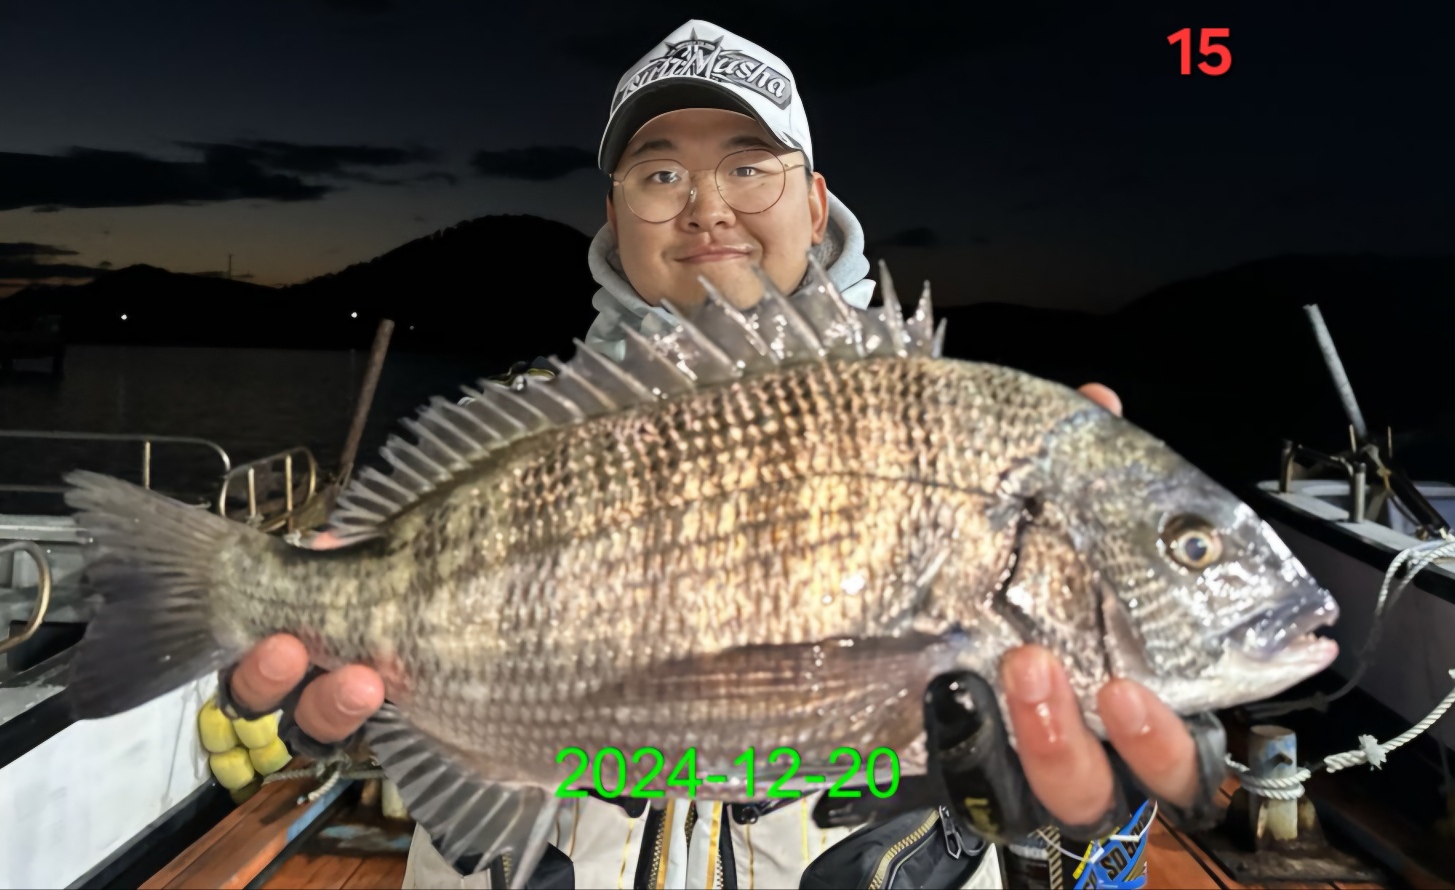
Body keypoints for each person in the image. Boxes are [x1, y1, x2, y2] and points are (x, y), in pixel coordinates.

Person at [217, 20, 1215, 889]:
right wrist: (308, 703)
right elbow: (360, 680)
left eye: (747, 164)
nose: (705, 204)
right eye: (660, 173)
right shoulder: (518, 435)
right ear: (615, 218)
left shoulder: (949, 425)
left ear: (814, 203)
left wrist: (1086, 791)